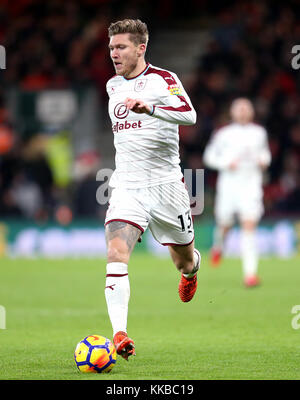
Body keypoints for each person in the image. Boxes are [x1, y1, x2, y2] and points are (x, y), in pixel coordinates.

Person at [103, 19, 201, 360]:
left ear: (140, 48)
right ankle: (119, 334)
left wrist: (152, 108)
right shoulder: (112, 85)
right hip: (127, 185)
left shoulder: (164, 79)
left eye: (121, 47)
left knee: (183, 260)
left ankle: (192, 271)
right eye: (112, 47)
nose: (114, 53)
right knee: (116, 253)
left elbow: (190, 115)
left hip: (166, 186)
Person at [203, 98, 271, 288]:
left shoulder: (259, 133)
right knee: (225, 224)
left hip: (251, 185)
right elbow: (209, 157)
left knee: (249, 225)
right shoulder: (223, 134)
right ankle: (218, 247)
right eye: (239, 109)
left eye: (245, 108)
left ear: (251, 112)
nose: (242, 112)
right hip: (229, 186)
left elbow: (266, 154)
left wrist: (263, 160)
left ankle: (250, 275)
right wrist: (226, 163)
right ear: (232, 112)